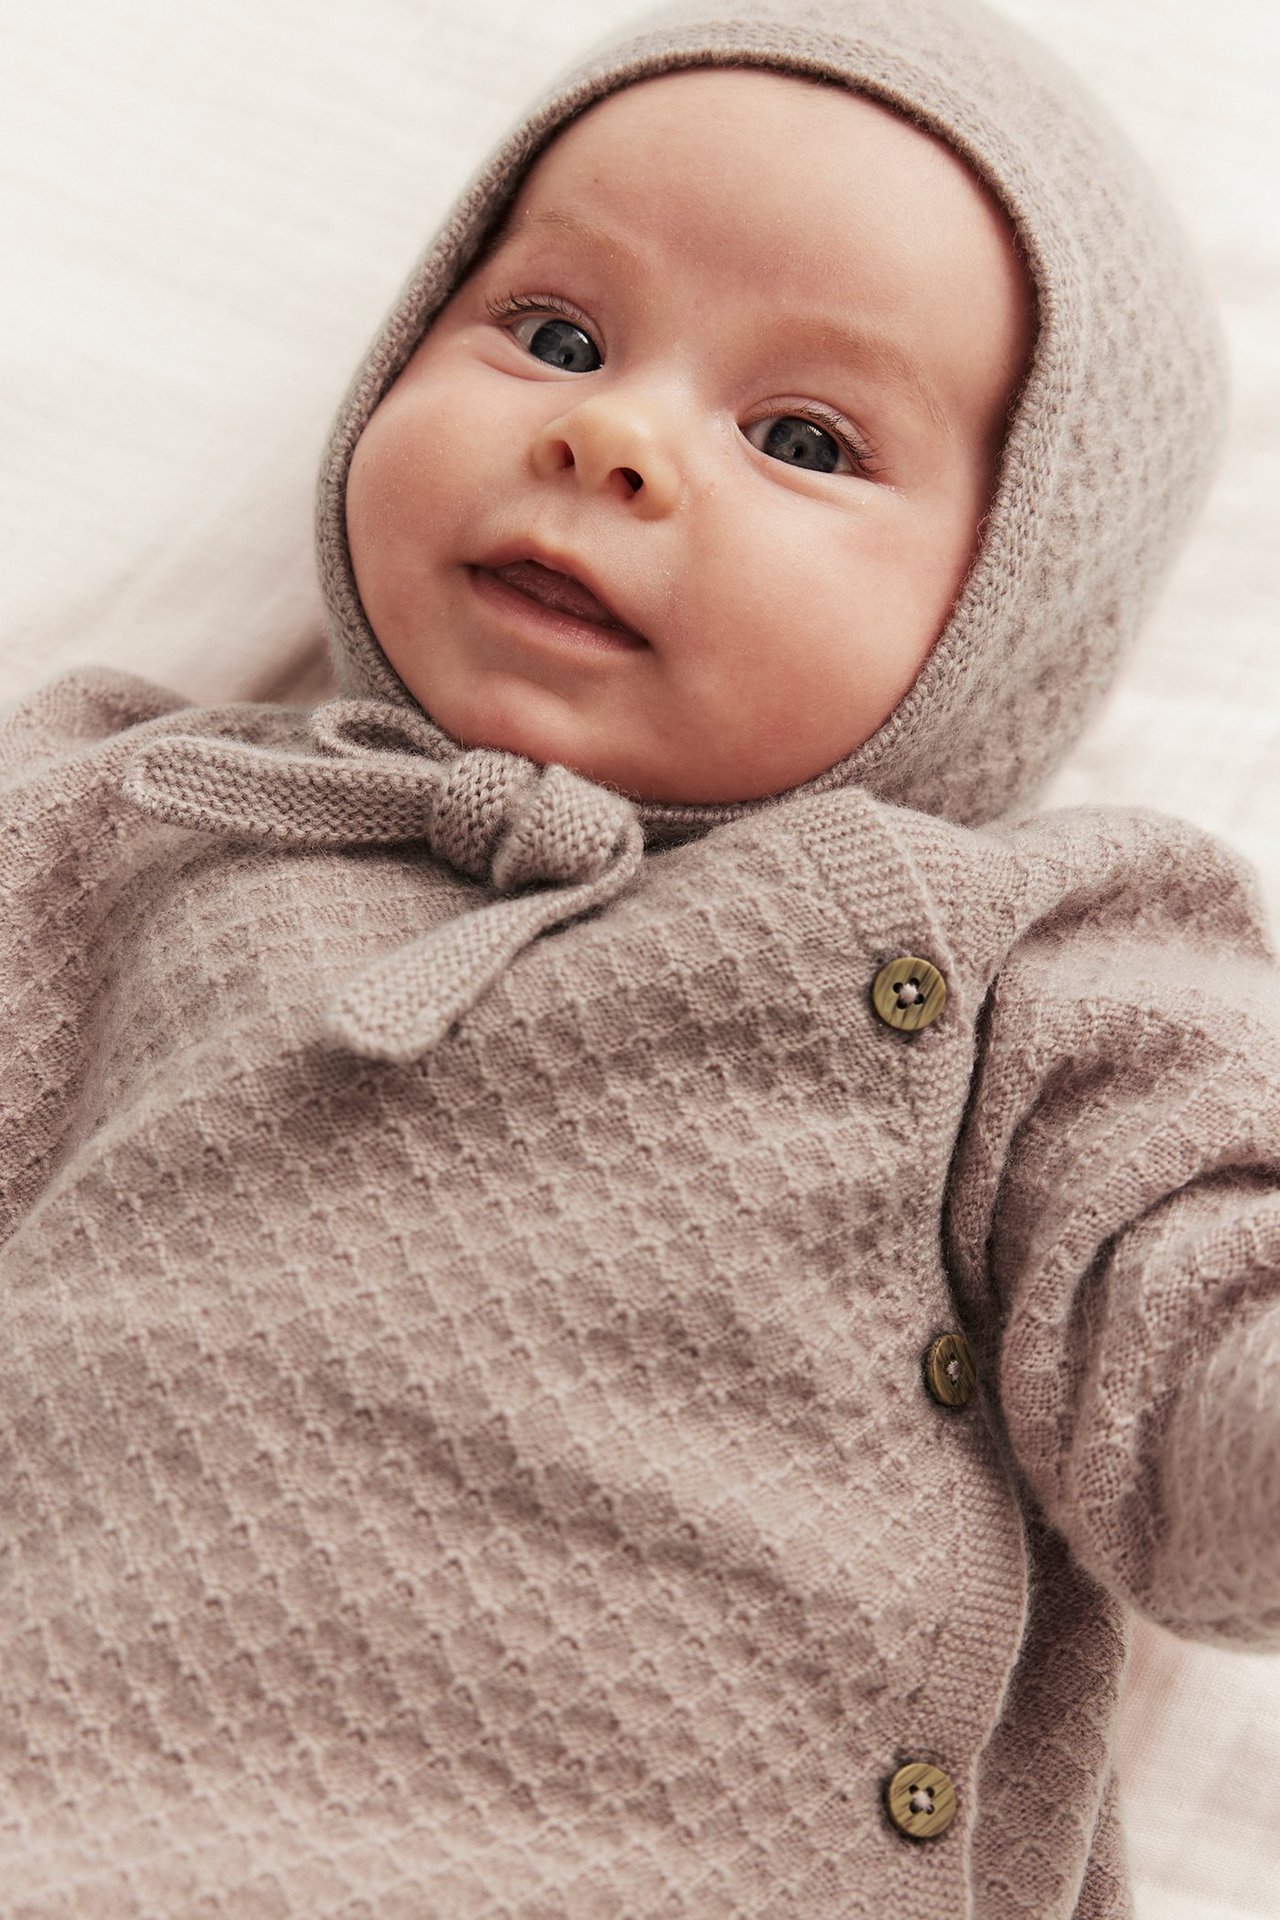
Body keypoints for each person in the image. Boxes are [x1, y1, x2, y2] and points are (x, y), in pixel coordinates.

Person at [1, 0, 1276, 1914]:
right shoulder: (132, 809)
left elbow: (1198, 1375)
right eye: (556, 337)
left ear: (1010, 606)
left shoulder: (1043, 953)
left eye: (802, 438)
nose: (608, 437)